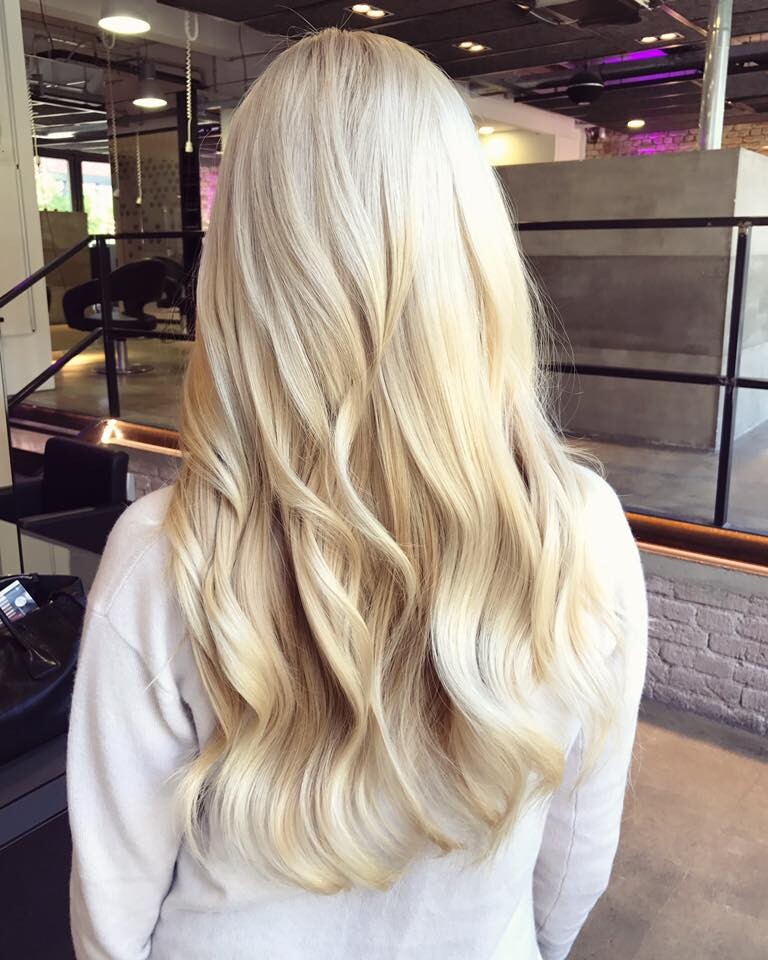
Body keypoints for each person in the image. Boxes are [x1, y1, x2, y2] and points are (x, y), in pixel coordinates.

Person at [67, 27, 647, 960]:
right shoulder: (583, 529)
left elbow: (112, 910)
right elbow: (577, 854)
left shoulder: (162, 554)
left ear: (244, 263)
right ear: (468, 243)